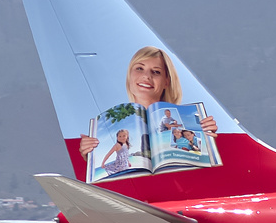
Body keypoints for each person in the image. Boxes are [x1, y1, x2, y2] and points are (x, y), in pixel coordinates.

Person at [77, 47, 217, 158]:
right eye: (139, 68)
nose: (146, 76)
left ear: (166, 81)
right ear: (129, 76)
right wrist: (90, 154)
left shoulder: (190, 119)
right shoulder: (109, 125)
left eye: (156, 72)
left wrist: (210, 141)